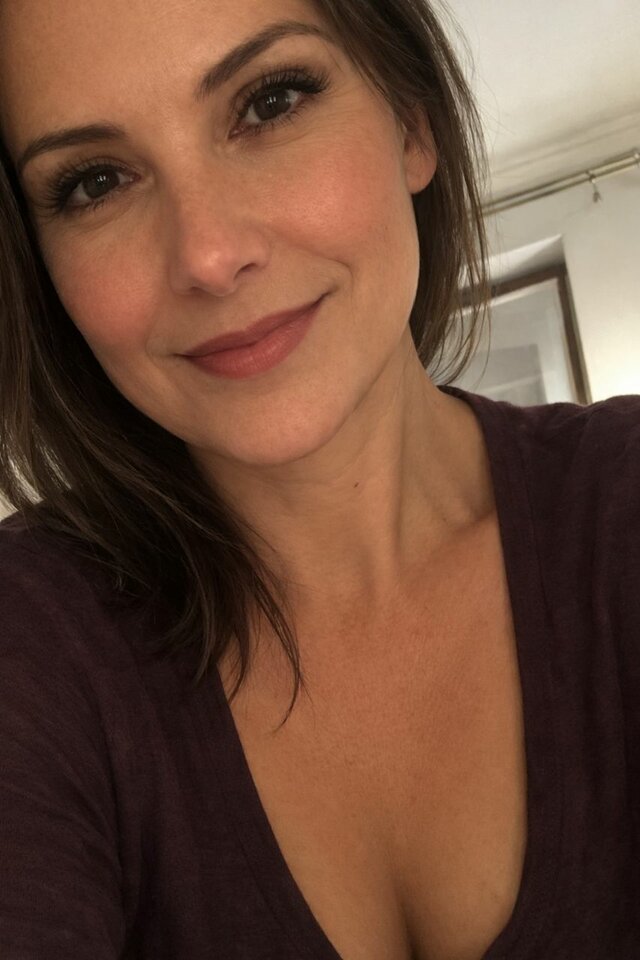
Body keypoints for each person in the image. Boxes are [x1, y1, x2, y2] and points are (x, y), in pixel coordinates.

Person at [0, 0, 638, 958]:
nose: (209, 255)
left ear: (412, 121)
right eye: (96, 182)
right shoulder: (29, 642)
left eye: (271, 102)